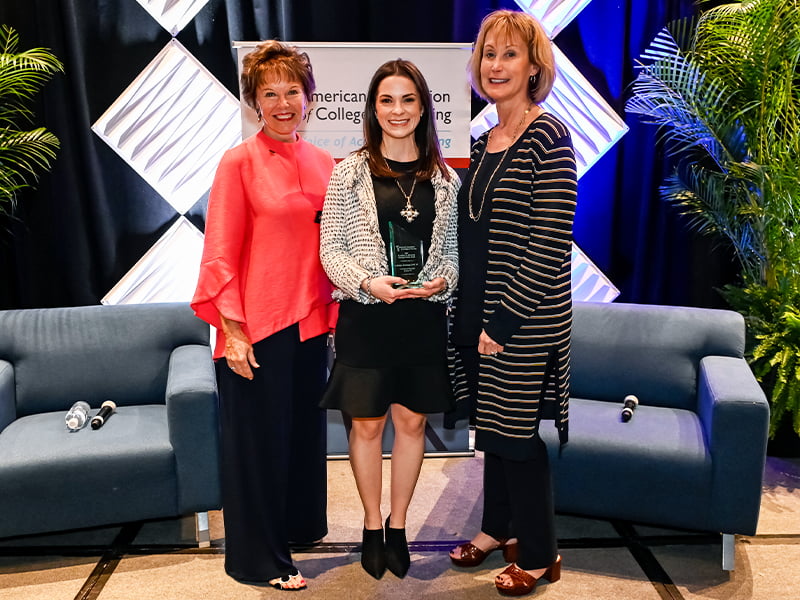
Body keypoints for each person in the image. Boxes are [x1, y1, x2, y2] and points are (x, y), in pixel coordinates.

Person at [191, 40, 336, 591]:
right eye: (268, 93)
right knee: (258, 447)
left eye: (292, 91)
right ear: (253, 102)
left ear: (309, 98)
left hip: (310, 326)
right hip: (256, 329)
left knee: (299, 439)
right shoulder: (238, 162)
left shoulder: (325, 163)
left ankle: (296, 530)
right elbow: (220, 255)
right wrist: (231, 332)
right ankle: (260, 560)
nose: (282, 103)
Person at [448, 10, 577, 597]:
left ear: (533, 67)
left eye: (509, 55)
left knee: (518, 438)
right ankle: (497, 528)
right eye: (488, 54)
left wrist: (501, 322)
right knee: (492, 431)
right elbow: (471, 234)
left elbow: (549, 241)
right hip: (478, 314)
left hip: (521, 320)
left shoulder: (549, 136)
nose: (495, 65)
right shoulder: (483, 140)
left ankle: (543, 551)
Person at [319, 59, 460, 580]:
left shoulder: (446, 178)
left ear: (424, 107)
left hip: (421, 319)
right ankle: (371, 524)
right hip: (366, 318)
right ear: (373, 109)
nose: (397, 111)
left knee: (411, 421)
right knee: (367, 422)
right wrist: (368, 283)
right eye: (387, 100)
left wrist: (442, 280)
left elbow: (454, 255)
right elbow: (330, 248)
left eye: (407, 100)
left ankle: (399, 525)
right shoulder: (349, 171)